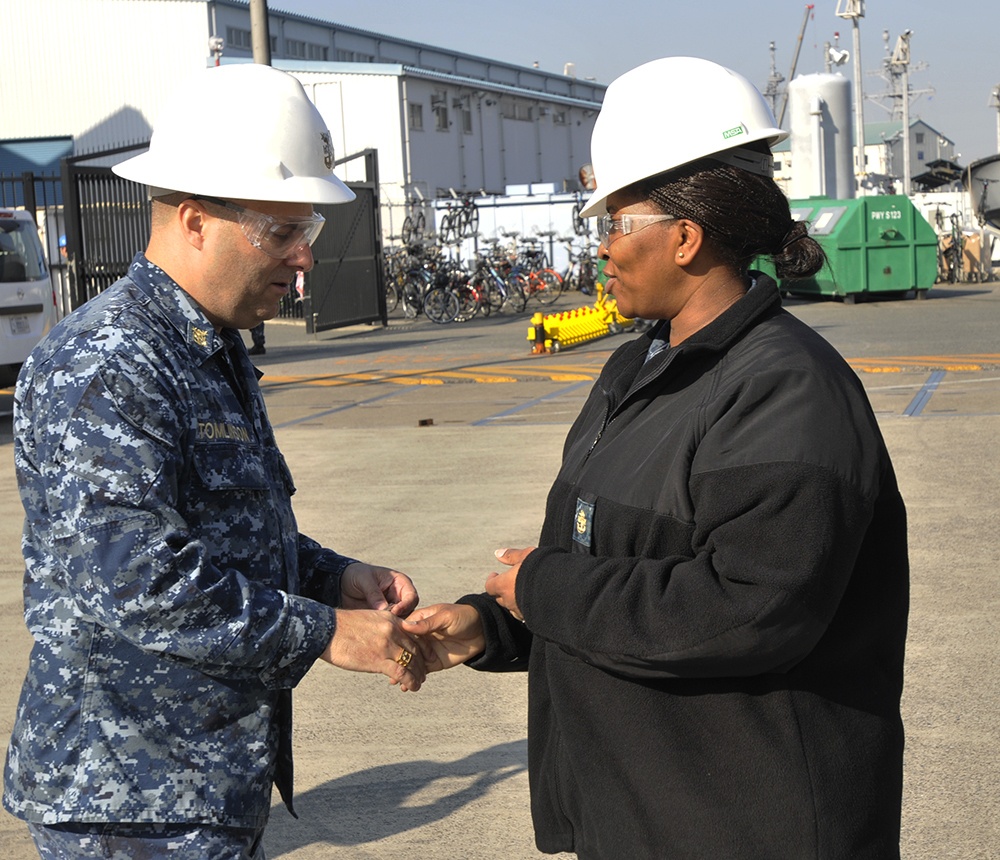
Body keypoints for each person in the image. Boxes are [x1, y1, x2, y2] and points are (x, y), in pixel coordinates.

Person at [404, 56, 909, 859]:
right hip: (645, 816)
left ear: (683, 237)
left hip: (746, 826)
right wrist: (494, 625)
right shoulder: (639, 369)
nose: (601, 249)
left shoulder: (785, 391)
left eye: (614, 223)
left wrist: (540, 585)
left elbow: (746, 608)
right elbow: (611, 565)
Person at [4, 63, 427, 860]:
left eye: (310, 232)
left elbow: (222, 532)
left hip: (195, 787)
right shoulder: (109, 362)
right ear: (194, 220)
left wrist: (330, 576)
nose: (303, 257)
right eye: (282, 232)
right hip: (127, 800)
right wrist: (324, 630)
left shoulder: (202, 347)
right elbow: (140, 578)